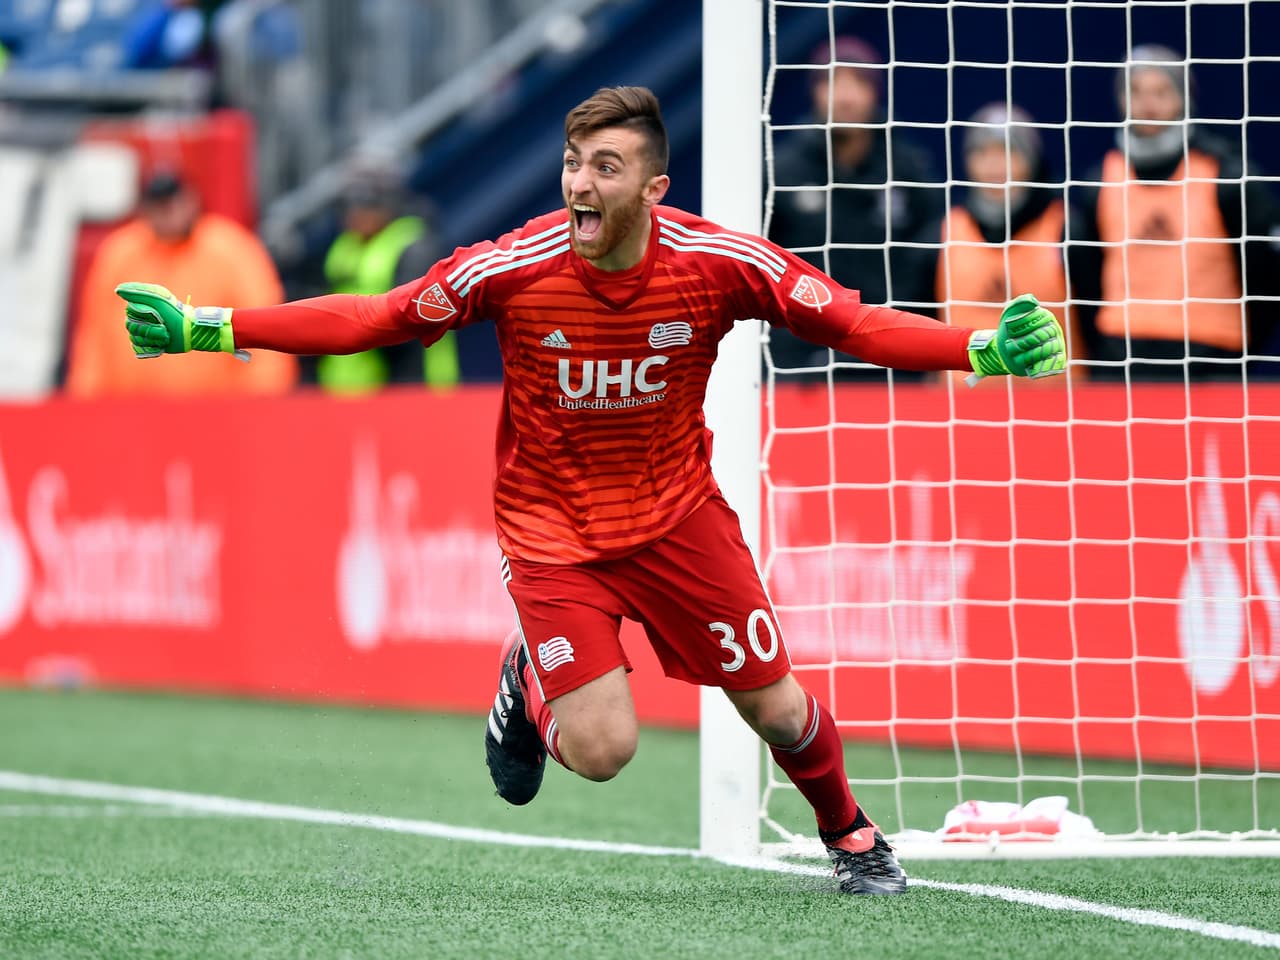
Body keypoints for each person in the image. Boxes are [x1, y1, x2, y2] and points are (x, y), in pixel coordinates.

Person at [115, 86, 1064, 894]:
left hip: (677, 517)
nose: (580, 182)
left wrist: (974, 347)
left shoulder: (718, 262)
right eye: (573, 162)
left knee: (775, 708)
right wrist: (211, 326)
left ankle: (851, 835)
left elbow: (851, 325)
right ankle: (529, 682)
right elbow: (378, 318)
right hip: (551, 533)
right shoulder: (514, 265)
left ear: (652, 187)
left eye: (605, 167)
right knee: (604, 753)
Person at [1072, 44, 1280, 381]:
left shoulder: (1228, 179)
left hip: (1210, 360)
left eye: (1161, 91)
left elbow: (1266, 279)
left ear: (1184, 98)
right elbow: (1085, 282)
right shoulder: (1097, 183)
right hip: (1123, 360)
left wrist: (1239, 351)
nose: (1148, 104)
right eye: (1135, 91)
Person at [767, 36, 944, 381]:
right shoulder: (782, 171)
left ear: (875, 91)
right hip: (801, 361)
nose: (845, 96)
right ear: (815, 92)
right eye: (833, 81)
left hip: (890, 357)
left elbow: (932, 265)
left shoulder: (909, 170)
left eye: (857, 82)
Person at [66, 169, 295, 396]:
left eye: (174, 202)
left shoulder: (233, 251)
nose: (169, 213)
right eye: (160, 206)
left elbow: (266, 333)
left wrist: (265, 404)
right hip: (132, 412)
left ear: (191, 200)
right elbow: (94, 339)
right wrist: (86, 403)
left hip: (216, 413)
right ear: (145, 210)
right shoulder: (120, 253)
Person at [935, 104, 1084, 380]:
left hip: (1057, 408)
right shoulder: (942, 233)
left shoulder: (1067, 230)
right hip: (960, 408)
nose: (994, 165)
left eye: (1007, 152)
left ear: (1031, 160)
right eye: (982, 153)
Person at [299, 160, 456, 393]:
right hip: (347, 390)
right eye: (348, 204)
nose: (356, 213)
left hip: (409, 385)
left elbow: (410, 321)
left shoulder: (413, 245)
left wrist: (343, 322)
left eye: (366, 202)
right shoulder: (342, 247)